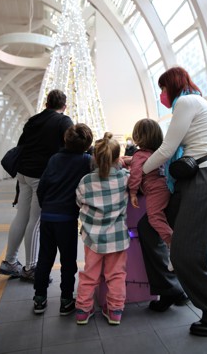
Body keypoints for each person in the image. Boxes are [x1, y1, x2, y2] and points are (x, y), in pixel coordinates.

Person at [139, 66, 207, 337]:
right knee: (148, 227)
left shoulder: (187, 101)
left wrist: (138, 171)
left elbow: (168, 148)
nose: (162, 94)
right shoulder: (193, 103)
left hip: (204, 179)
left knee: (187, 254)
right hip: (194, 179)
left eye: (162, 88)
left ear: (172, 86)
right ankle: (170, 289)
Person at [0, 90, 73, 281]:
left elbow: (21, 145)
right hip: (41, 176)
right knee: (36, 220)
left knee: (21, 216)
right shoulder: (63, 121)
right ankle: (31, 267)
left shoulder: (33, 120)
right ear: (63, 106)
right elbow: (73, 145)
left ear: (46, 104)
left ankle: (10, 262)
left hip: (23, 173)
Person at [33, 123, 93, 315]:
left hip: (48, 216)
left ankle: (39, 299)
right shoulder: (86, 161)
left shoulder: (54, 159)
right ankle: (66, 300)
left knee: (44, 259)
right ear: (87, 143)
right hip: (67, 219)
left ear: (66, 140)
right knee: (68, 261)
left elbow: (42, 187)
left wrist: (46, 206)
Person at [75, 132, 130, 325]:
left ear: (94, 157)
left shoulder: (85, 181)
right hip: (117, 238)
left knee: (90, 274)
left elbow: (79, 201)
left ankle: (83, 310)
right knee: (116, 275)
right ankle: (115, 311)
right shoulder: (125, 178)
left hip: (93, 238)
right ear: (117, 158)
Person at [128, 118, 172, 246]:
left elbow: (135, 174)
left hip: (154, 190)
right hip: (166, 186)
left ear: (137, 137)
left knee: (154, 217)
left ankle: (173, 244)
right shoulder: (158, 153)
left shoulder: (139, 155)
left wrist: (132, 193)